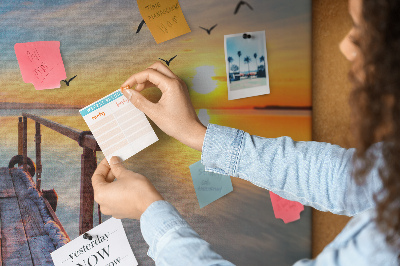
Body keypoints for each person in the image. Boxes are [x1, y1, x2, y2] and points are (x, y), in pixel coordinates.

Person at [91, 0, 400, 264]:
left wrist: (148, 210)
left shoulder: (385, 247)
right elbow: (343, 178)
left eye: (364, 31)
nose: (345, 46)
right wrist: (196, 134)